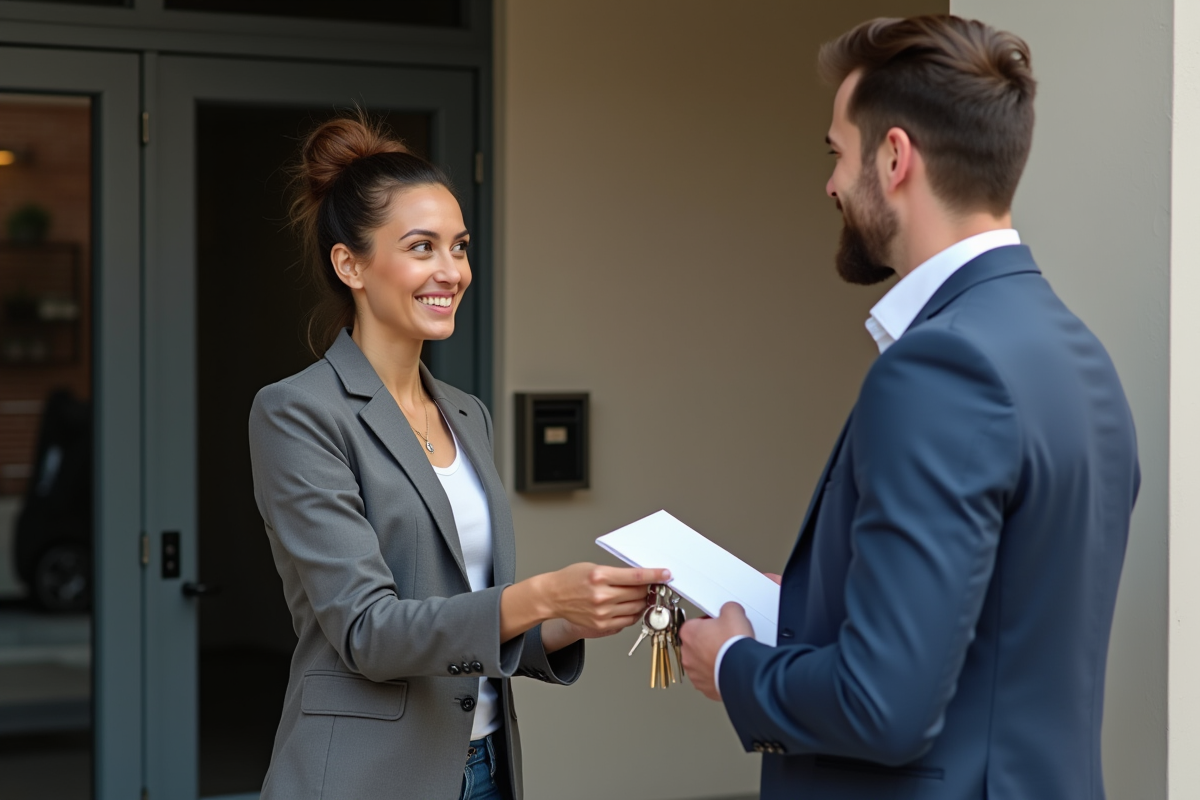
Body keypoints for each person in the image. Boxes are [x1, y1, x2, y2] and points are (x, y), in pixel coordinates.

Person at [679, 15, 1139, 800]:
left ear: (894, 158)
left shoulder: (938, 366)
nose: (829, 183)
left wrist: (734, 663)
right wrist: (804, 603)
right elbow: (1003, 618)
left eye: (837, 153)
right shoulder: (1075, 349)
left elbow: (883, 707)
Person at [247, 114, 667, 800]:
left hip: (486, 767)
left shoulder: (467, 413)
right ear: (349, 263)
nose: (452, 271)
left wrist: (570, 618)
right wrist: (536, 596)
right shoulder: (298, 412)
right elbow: (367, 631)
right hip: (365, 776)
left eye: (460, 247)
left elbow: (469, 621)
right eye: (422, 247)